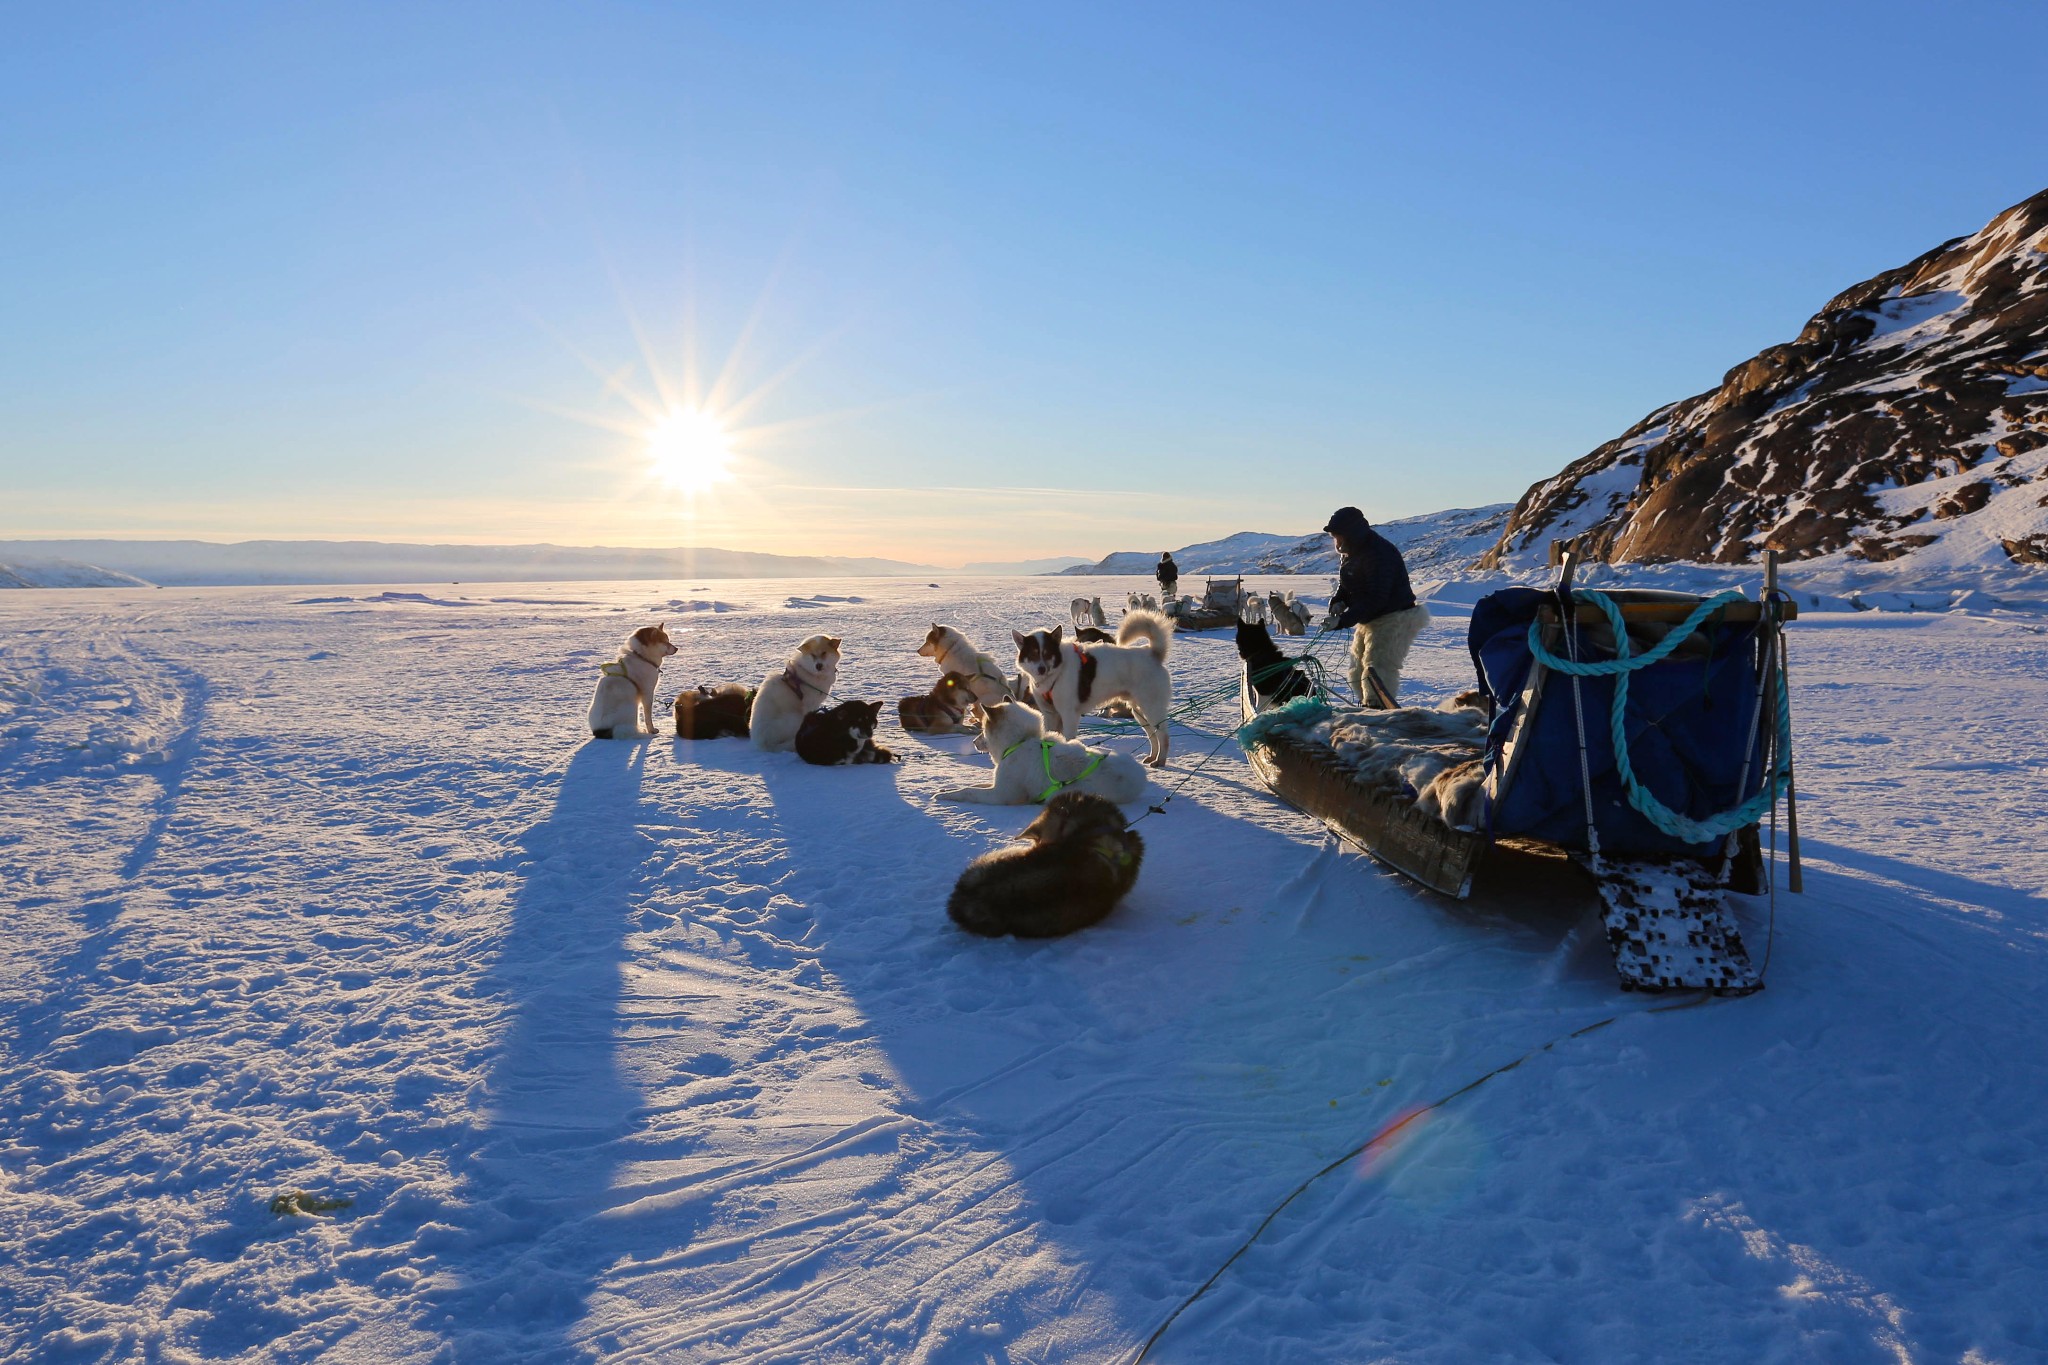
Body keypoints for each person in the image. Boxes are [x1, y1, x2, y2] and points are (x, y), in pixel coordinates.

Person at [1324, 506, 1430, 706]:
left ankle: (1378, 708)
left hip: (1395, 616)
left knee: (1377, 668)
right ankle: (1368, 704)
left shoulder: (1379, 553)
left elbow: (1377, 597)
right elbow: (1349, 583)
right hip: (1370, 618)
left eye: (1338, 536)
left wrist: (1343, 620)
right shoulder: (1352, 551)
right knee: (1357, 669)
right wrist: (1339, 600)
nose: (1335, 542)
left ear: (1351, 534)